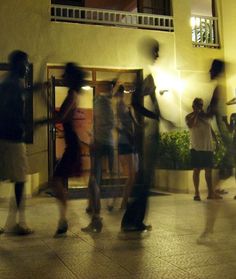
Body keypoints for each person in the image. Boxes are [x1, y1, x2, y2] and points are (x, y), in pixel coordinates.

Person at [121, 38, 168, 232]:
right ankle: (131, 220)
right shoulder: (145, 78)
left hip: (151, 132)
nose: (157, 55)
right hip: (147, 135)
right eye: (155, 51)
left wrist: (161, 118)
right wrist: (154, 116)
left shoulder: (149, 78)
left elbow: (152, 105)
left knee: (146, 181)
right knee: (144, 180)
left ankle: (135, 220)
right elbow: (136, 104)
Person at [36, 63, 86, 236]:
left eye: (65, 74)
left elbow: (60, 117)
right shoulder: (73, 94)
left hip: (72, 146)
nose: (63, 77)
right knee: (56, 181)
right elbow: (59, 115)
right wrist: (44, 97)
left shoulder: (72, 95)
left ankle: (65, 219)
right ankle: (64, 219)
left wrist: (40, 122)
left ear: (71, 77)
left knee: (56, 181)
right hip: (71, 145)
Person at [0, 50, 34, 235]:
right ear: (18, 64)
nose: (27, 67)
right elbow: (11, 111)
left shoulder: (7, 82)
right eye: (26, 64)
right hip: (12, 138)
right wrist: (24, 125)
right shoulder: (14, 84)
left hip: (4, 137)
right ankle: (19, 223)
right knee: (20, 179)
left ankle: (12, 221)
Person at [82, 82, 115, 233]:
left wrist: (92, 137)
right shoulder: (109, 104)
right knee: (97, 179)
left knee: (94, 179)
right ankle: (94, 209)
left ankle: (96, 217)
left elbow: (97, 123)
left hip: (99, 144)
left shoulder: (98, 102)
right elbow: (110, 124)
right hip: (108, 143)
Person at [186, 97, 222, 201]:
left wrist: (216, 141)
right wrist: (196, 113)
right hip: (196, 148)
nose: (200, 107)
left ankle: (210, 193)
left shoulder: (206, 117)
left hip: (207, 148)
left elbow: (210, 129)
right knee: (196, 171)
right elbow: (191, 124)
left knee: (208, 171)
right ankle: (197, 193)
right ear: (193, 106)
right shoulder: (189, 116)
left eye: (201, 105)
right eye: (198, 105)